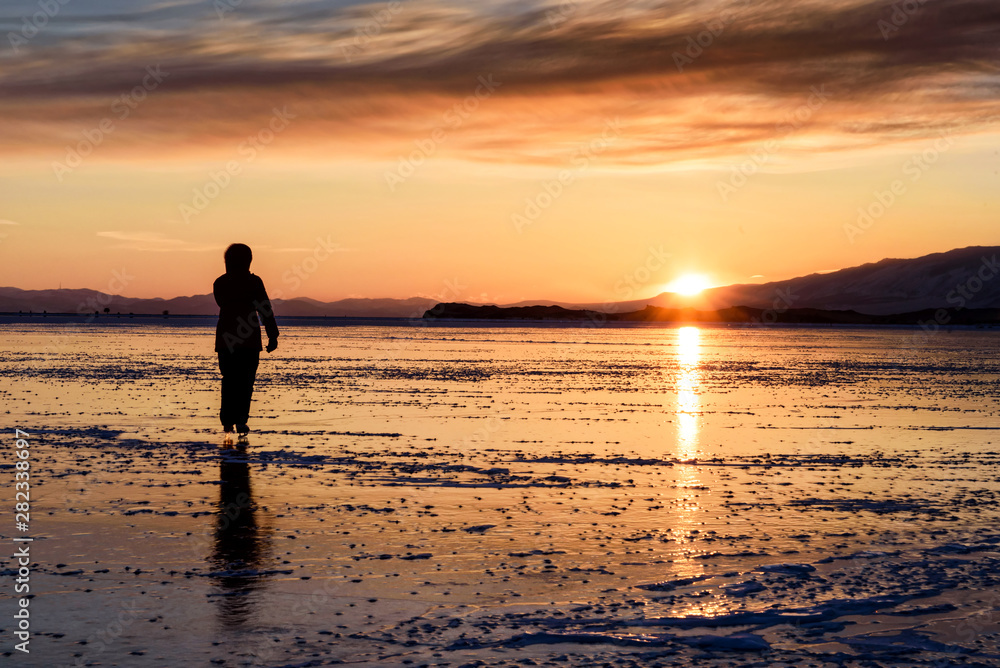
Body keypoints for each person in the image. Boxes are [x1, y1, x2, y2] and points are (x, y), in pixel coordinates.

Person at [214, 243, 279, 435]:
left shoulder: (220, 283)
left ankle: (227, 422)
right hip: (248, 340)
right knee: (246, 382)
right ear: (248, 261)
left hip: (226, 340)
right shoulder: (254, 282)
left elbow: (221, 302)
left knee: (229, 380)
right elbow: (265, 309)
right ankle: (241, 420)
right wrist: (272, 335)